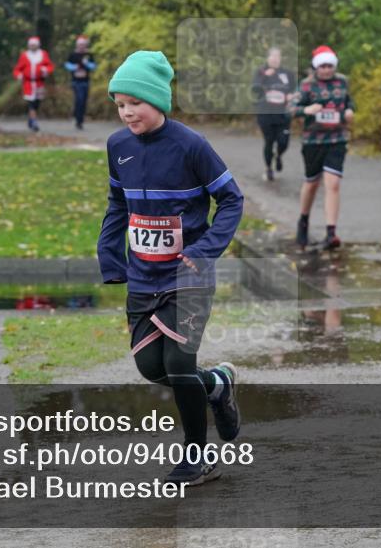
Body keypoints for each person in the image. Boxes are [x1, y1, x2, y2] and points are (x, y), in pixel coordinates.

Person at [96, 50, 243, 485]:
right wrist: (109, 250)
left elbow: (231, 199)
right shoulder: (117, 146)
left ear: (158, 100)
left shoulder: (191, 145)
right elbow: (117, 202)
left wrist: (206, 250)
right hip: (144, 275)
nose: (126, 113)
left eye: (134, 103)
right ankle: (217, 385)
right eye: (120, 104)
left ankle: (197, 458)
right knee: (150, 367)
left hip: (188, 275)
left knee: (180, 364)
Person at [291, 45, 356, 249]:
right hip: (313, 141)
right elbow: (290, 110)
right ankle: (303, 220)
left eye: (330, 66)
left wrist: (349, 111)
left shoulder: (342, 82)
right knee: (312, 184)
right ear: (316, 67)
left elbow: (349, 103)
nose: (327, 70)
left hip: (337, 139)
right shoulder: (306, 85)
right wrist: (307, 109)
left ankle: (331, 232)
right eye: (323, 66)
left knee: (333, 183)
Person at [252, 47, 296, 181]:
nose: (276, 59)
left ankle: (278, 155)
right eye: (273, 56)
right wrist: (265, 76)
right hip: (266, 114)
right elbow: (254, 89)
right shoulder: (261, 72)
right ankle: (268, 168)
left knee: (283, 142)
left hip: (283, 114)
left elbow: (294, 89)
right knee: (269, 142)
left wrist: (291, 96)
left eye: (278, 56)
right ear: (268, 58)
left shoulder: (287, 73)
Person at [13, 35, 54, 131]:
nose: (32, 47)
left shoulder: (43, 54)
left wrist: (45, 70)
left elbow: (50, 66)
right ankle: (34, 121)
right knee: (31, 103)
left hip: (39, 83)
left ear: (38, 45)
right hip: (28, 83)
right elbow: (17, 69)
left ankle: (31, 119)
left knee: (37, 103)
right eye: (31, 45)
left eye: (34, 45)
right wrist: (19, 75)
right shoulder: (25, 55)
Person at [64, 34, 96, 130]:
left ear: (85, 45)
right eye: (80, 44)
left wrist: (87, 64)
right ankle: (77, 119)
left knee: (83, 101)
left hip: (86, 82)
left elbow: (94, 66)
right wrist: (75, 67)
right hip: (76, 82)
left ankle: (80, 120)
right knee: (79, 99)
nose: (81, 46)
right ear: (77, 45)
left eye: (83, 44)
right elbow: (67, 65)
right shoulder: (73, 54)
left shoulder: (89, 54)